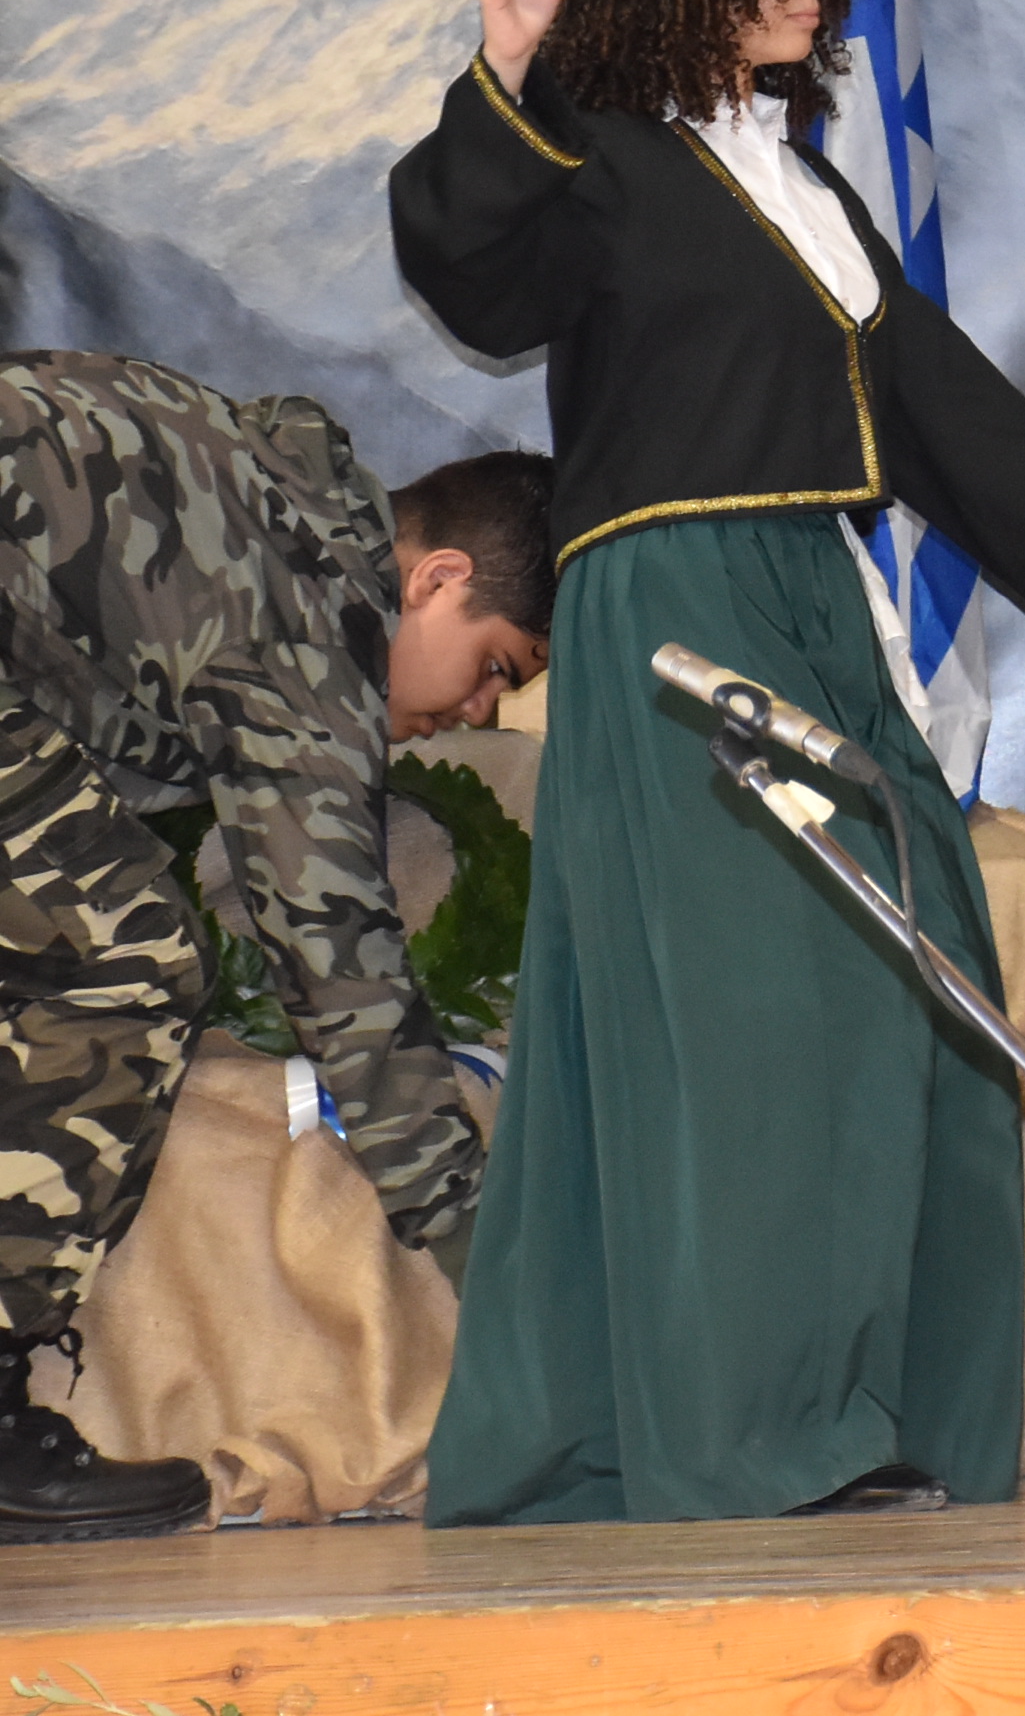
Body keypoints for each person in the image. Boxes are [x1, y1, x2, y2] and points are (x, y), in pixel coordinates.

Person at [393, 0, 1025, 1524]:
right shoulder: (598, 151)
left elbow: (959, 427)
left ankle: (865, 1413)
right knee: (760, 1022)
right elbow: (473, 275)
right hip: (678, 620)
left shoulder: (807, 187)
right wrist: (506, 67)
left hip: (811, 613)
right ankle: (752, 1437)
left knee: (909, 987)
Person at [0, 354, 550, 1544]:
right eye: (495, 666)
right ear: (437, 579)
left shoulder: (262, 496)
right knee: (125, 962)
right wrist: (494, 1266)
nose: (480, 712)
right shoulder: (310, 620)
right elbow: (337, 965)